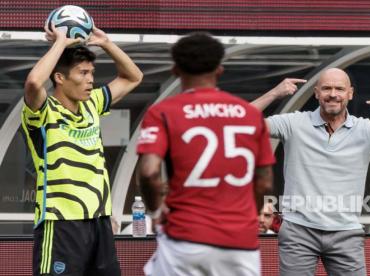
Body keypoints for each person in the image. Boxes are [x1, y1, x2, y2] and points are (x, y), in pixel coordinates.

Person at [251, 68, 370, 276]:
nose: (333, 94)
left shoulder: (367, 130)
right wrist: (273, 94)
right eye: (327, 88)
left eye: (339, 88)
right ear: (316, 93)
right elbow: (239, 122)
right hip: (298, 231)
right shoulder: (293, 123)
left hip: (346, 232)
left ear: (350, 93)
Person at [136, 32, 275, 276]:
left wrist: (156, 211)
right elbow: (264, 182)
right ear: (220, 70)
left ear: (175, 70)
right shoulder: (250, 115)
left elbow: (148, 172)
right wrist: (243, 217)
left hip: (185, 237)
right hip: (240, 243)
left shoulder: (163, 112)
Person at [22, 23, 143, 275]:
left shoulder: (92, 104)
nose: (90, 80)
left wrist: (107, 43)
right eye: (83, 73)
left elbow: (134, 77)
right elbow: (34, 82)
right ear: (60, 78)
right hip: (60, 223)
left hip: (99, 221)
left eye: (92, 73)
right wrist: (60, 43)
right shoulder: (44, 111)